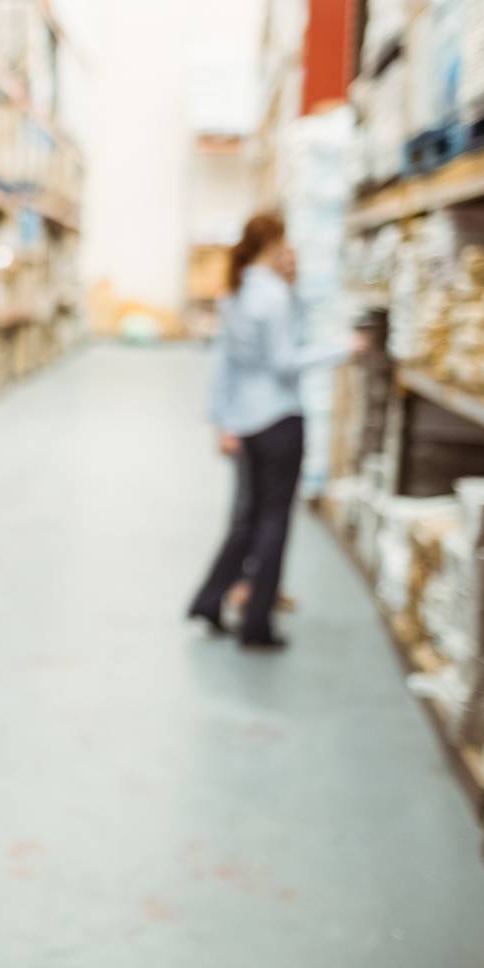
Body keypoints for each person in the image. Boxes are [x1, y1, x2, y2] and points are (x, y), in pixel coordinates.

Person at [187, 212, 362, 650]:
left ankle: (210, 600)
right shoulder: (274, 296)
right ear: (274, 242)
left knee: (245, 518)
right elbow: (285, 361)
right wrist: (343, 348)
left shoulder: (237, 291)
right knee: (273, 521)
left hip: (245, 421)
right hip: (280, 419)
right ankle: (256, 623)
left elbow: (225, 363)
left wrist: (222, 421)